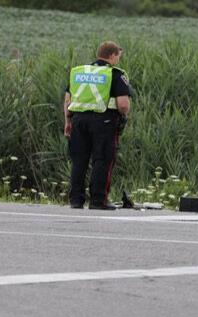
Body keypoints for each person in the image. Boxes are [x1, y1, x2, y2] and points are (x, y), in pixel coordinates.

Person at [63, 41, 132, 210]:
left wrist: (67, 121)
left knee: (79, 161)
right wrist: (124, 115)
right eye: (118, 57)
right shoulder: (115, 74)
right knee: (102, 160)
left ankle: (76, 200)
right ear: (112, 55)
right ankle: (98, 201)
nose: (118, 60)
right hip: (104, 121)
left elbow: (67, 99)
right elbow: (123, 104)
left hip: (78, 121)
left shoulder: (78, 72)